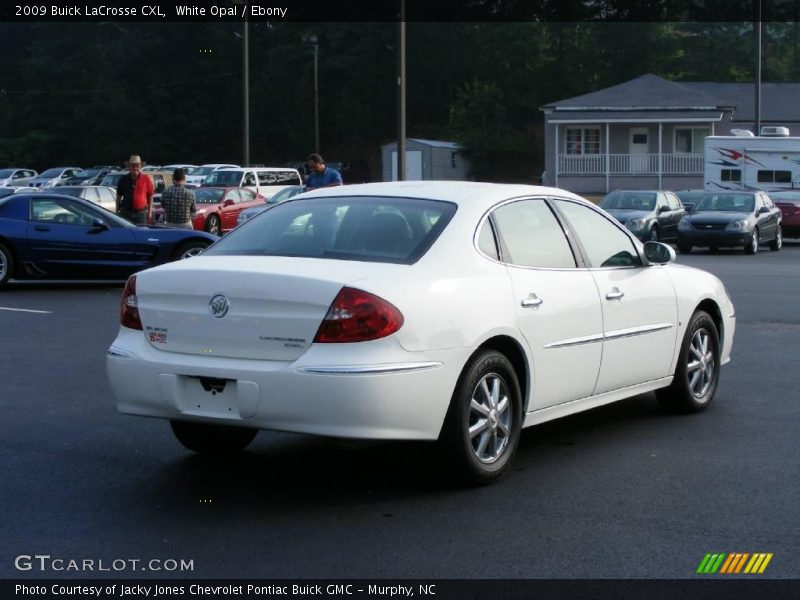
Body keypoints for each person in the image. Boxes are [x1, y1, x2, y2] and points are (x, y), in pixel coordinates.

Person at [116, 155, 154, 225]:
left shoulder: (146, 179)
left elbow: (151, 196)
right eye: (133, 166)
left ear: (140, 167)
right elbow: (118, 195)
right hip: (126, 213)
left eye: (137, 166)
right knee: (126, 231)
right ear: (129, 167)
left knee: (142, 231)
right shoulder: (123, 179)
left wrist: (150, 212)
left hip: (141, 214)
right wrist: (116, 210)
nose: (135, 168)